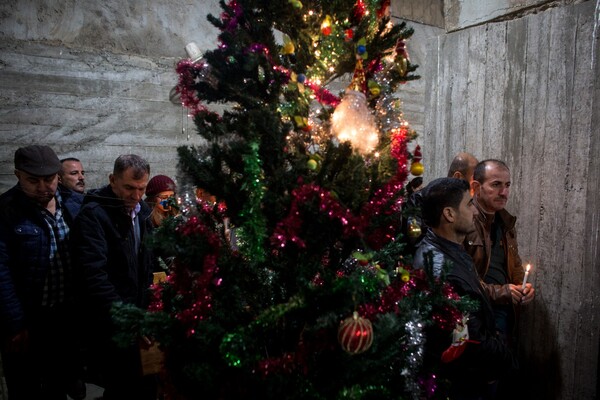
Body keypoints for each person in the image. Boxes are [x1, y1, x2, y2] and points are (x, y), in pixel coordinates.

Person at [413, 177, 516, 399]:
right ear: (449, 214)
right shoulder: (441, 269)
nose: (476, 212)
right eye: (469, 204)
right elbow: (470, 342)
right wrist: (507, 359)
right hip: (464, 385)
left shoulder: (449, 248)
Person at [0, 145, 86, 400]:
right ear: (18, 175)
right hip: (29, 318)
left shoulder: (74, 203)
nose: (43, 187)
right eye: (33, 181)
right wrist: (15, 324)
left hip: (66, 316)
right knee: (26, 387)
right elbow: (1, 272)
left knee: (58, 385)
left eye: (49, 179)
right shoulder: (6, 210)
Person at [71, 154, 157, 400]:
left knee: (144, 386)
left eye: (141, 189)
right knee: (122, 387)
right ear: (112, 180)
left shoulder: (142, 211)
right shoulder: (94, 215)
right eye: (129, 187)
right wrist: (127, 318)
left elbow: (146, 263)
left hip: (138, 317)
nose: (136, 196)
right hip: (112, 322)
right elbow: (94, 276)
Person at [464, 160, 535, 339]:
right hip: (475, 315)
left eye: (507, 185)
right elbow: (461, 282)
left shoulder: (506, 223)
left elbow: (515, 264)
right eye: (496, 185)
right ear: (476, 187)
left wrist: (523, 287)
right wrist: (502, 293)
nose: (504, 193)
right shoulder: (464, 222)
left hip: (505, 312)